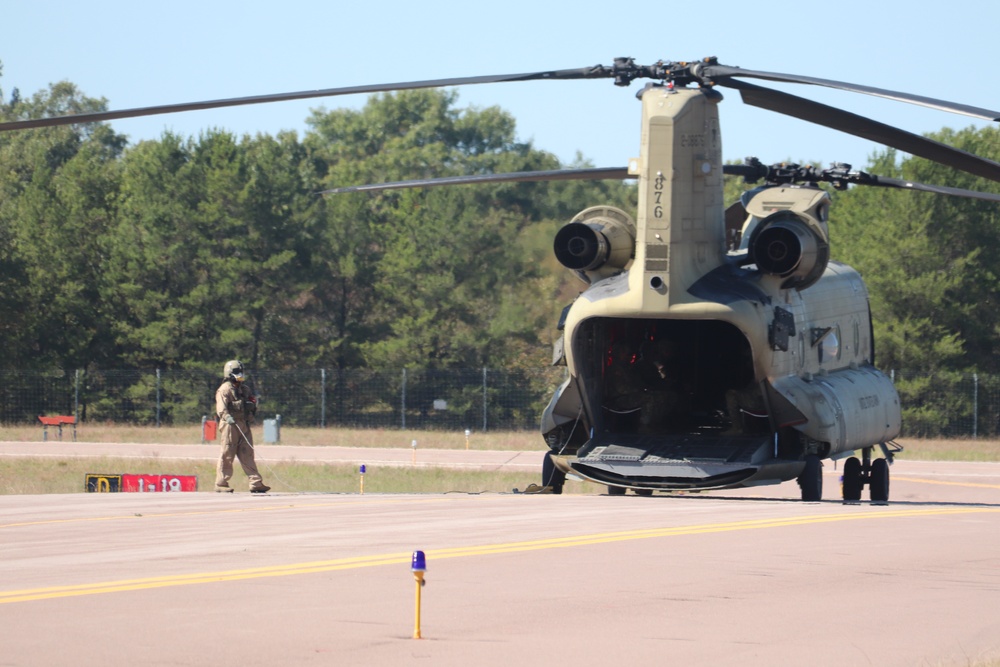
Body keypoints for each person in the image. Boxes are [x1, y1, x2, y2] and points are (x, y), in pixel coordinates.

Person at [214, 360, 270, 493]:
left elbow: (250, 404)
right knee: (227, 453)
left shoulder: (245, 389)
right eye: (237, 373)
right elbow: (221, 408)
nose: (240, 376)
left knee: (247, 453)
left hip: (243, 424)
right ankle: (221, 483)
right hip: (230, 425)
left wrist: (252, 404)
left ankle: (255, 483)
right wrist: (227, 417)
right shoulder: (225, 389)